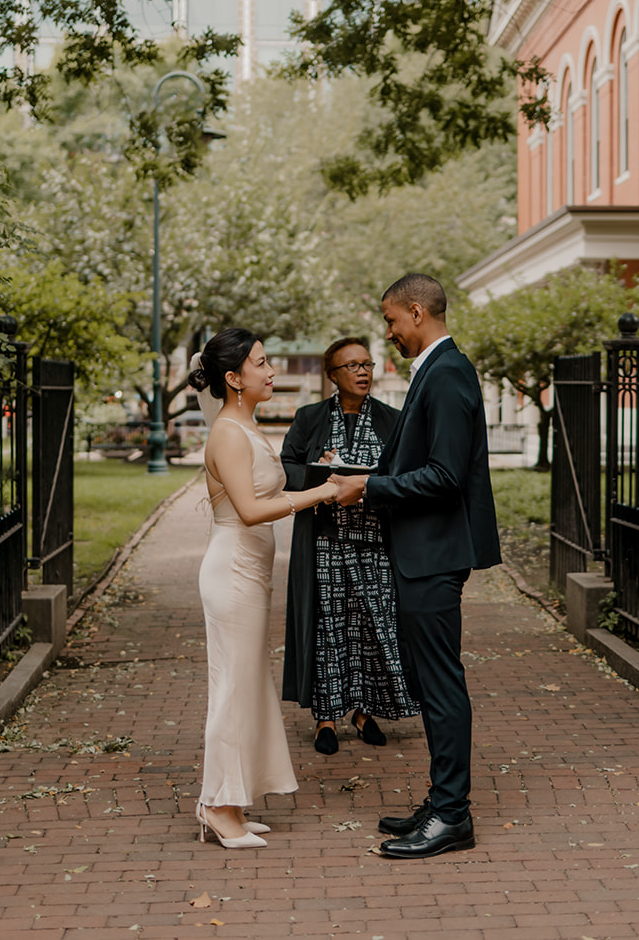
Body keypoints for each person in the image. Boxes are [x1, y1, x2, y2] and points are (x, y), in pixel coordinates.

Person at [331, 274, 501, 860]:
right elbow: (422, 459)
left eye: (391, 320)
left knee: (440, 684)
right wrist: (361, 472)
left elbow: (447, 475)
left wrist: (368, 488)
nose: (389, 333)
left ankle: (453, 816)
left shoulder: (449, 372)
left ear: (416, 311)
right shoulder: (435, 369)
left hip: (434, 556)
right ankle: (442, 798)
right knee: (430, 683)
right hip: (422, 554)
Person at [188, 328, 340, 849]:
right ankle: (215, 805)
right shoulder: (228, 433)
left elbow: (269, 488)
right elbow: (251, 513)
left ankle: (233, 800)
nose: (271, 370)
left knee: (248, 685)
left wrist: (318, 474)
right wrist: (320, 493)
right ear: (233, 379)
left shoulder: (245, 426)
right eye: (260, 363)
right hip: (232, 571)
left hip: (251, 573)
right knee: (232, 689)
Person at [280, 337, 416, 755]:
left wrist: (374, 484)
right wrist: (321, 476)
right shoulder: (309, 418)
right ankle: (326, 717)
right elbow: (284, 467)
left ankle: (362, 711)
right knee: (328, 630)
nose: (362, 371)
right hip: (326, 543)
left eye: (367, 364)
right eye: (351, 366)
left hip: (376, 545)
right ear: (333, 376)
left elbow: (407, 475)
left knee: (372, 629)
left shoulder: (394, 420)